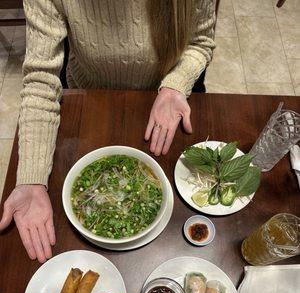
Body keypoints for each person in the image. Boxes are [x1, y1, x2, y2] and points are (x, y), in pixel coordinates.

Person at [0, 0, 216, 262]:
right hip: (89, 101)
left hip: (164, 103)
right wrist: (31, 178)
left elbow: (200, 42)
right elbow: (41, 80)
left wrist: (176, 85)